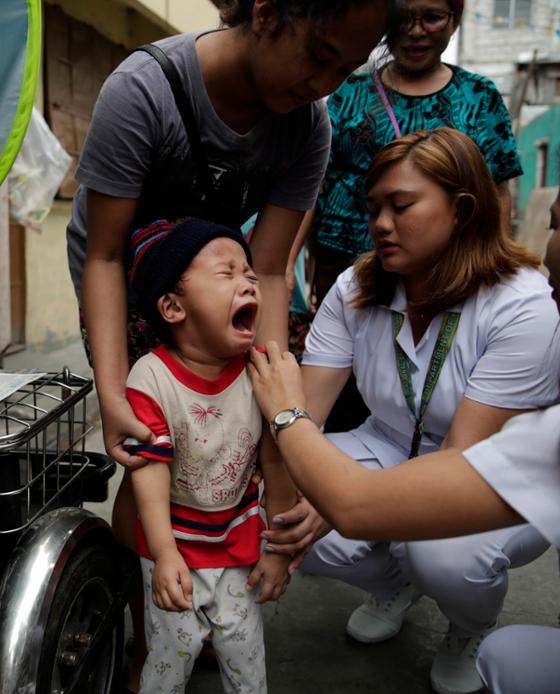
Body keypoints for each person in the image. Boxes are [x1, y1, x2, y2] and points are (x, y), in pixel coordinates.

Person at [248, 106, 560, 694]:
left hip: (476, 463)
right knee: (262, 513)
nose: (380, 223)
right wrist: (291, 496)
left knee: (442, 552)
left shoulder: (526, 306)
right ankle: (394, 586)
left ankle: (466, 625)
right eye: (373, 207)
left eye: (401, 207)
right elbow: (315, 418)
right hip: (383, 448)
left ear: (461, 211)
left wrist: (294, 429)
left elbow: (456, 455)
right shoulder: (357, 286)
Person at [65, 2, 396, 689]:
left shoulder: (308, 126)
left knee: (231, 433)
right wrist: (111, 388)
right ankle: (153, 613)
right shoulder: (146, 88)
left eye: (346, 68)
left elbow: (269, 269)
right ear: (269, 10)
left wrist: (276, 396)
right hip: (124, 281)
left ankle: (213, 591)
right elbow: (102, 254)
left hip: (224, 278)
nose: (325, 83)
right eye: (318, 53)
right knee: (151, 451)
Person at [306, 0, 523, 431]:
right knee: (341, 397)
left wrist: (489, 267)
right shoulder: (349, 93)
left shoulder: (478, 97)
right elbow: (311, 187)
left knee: (430, 394)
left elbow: (498, 191)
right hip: (349, 279)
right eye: (403, 18)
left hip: (444, 281)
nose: (416, 30)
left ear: (455, 19)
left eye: (433, 17)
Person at [124, 218, 293, 694]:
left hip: (238, 548)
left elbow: (276, 462)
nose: (248, 283)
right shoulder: (151, 377)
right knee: (170, 657)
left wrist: (278, 551)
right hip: (173, 546)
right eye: (227, 274)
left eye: (250, 276)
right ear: (173, 306)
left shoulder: (259, 371)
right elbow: (149, 472)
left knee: (245, 656)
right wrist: (162, 554)